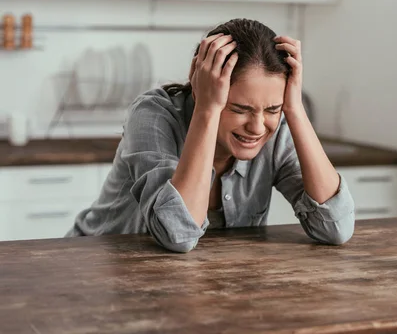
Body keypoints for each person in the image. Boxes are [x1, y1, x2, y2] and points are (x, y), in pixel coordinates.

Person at [66, 18, 355, 252]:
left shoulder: (276, 128)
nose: (257, 127)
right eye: (239, 108)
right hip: (93, 272)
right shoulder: (153, 115)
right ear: (202, 86)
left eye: (272, 108)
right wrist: (207, 109)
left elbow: (336, 229)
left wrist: (294, 110)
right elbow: (177, 235)